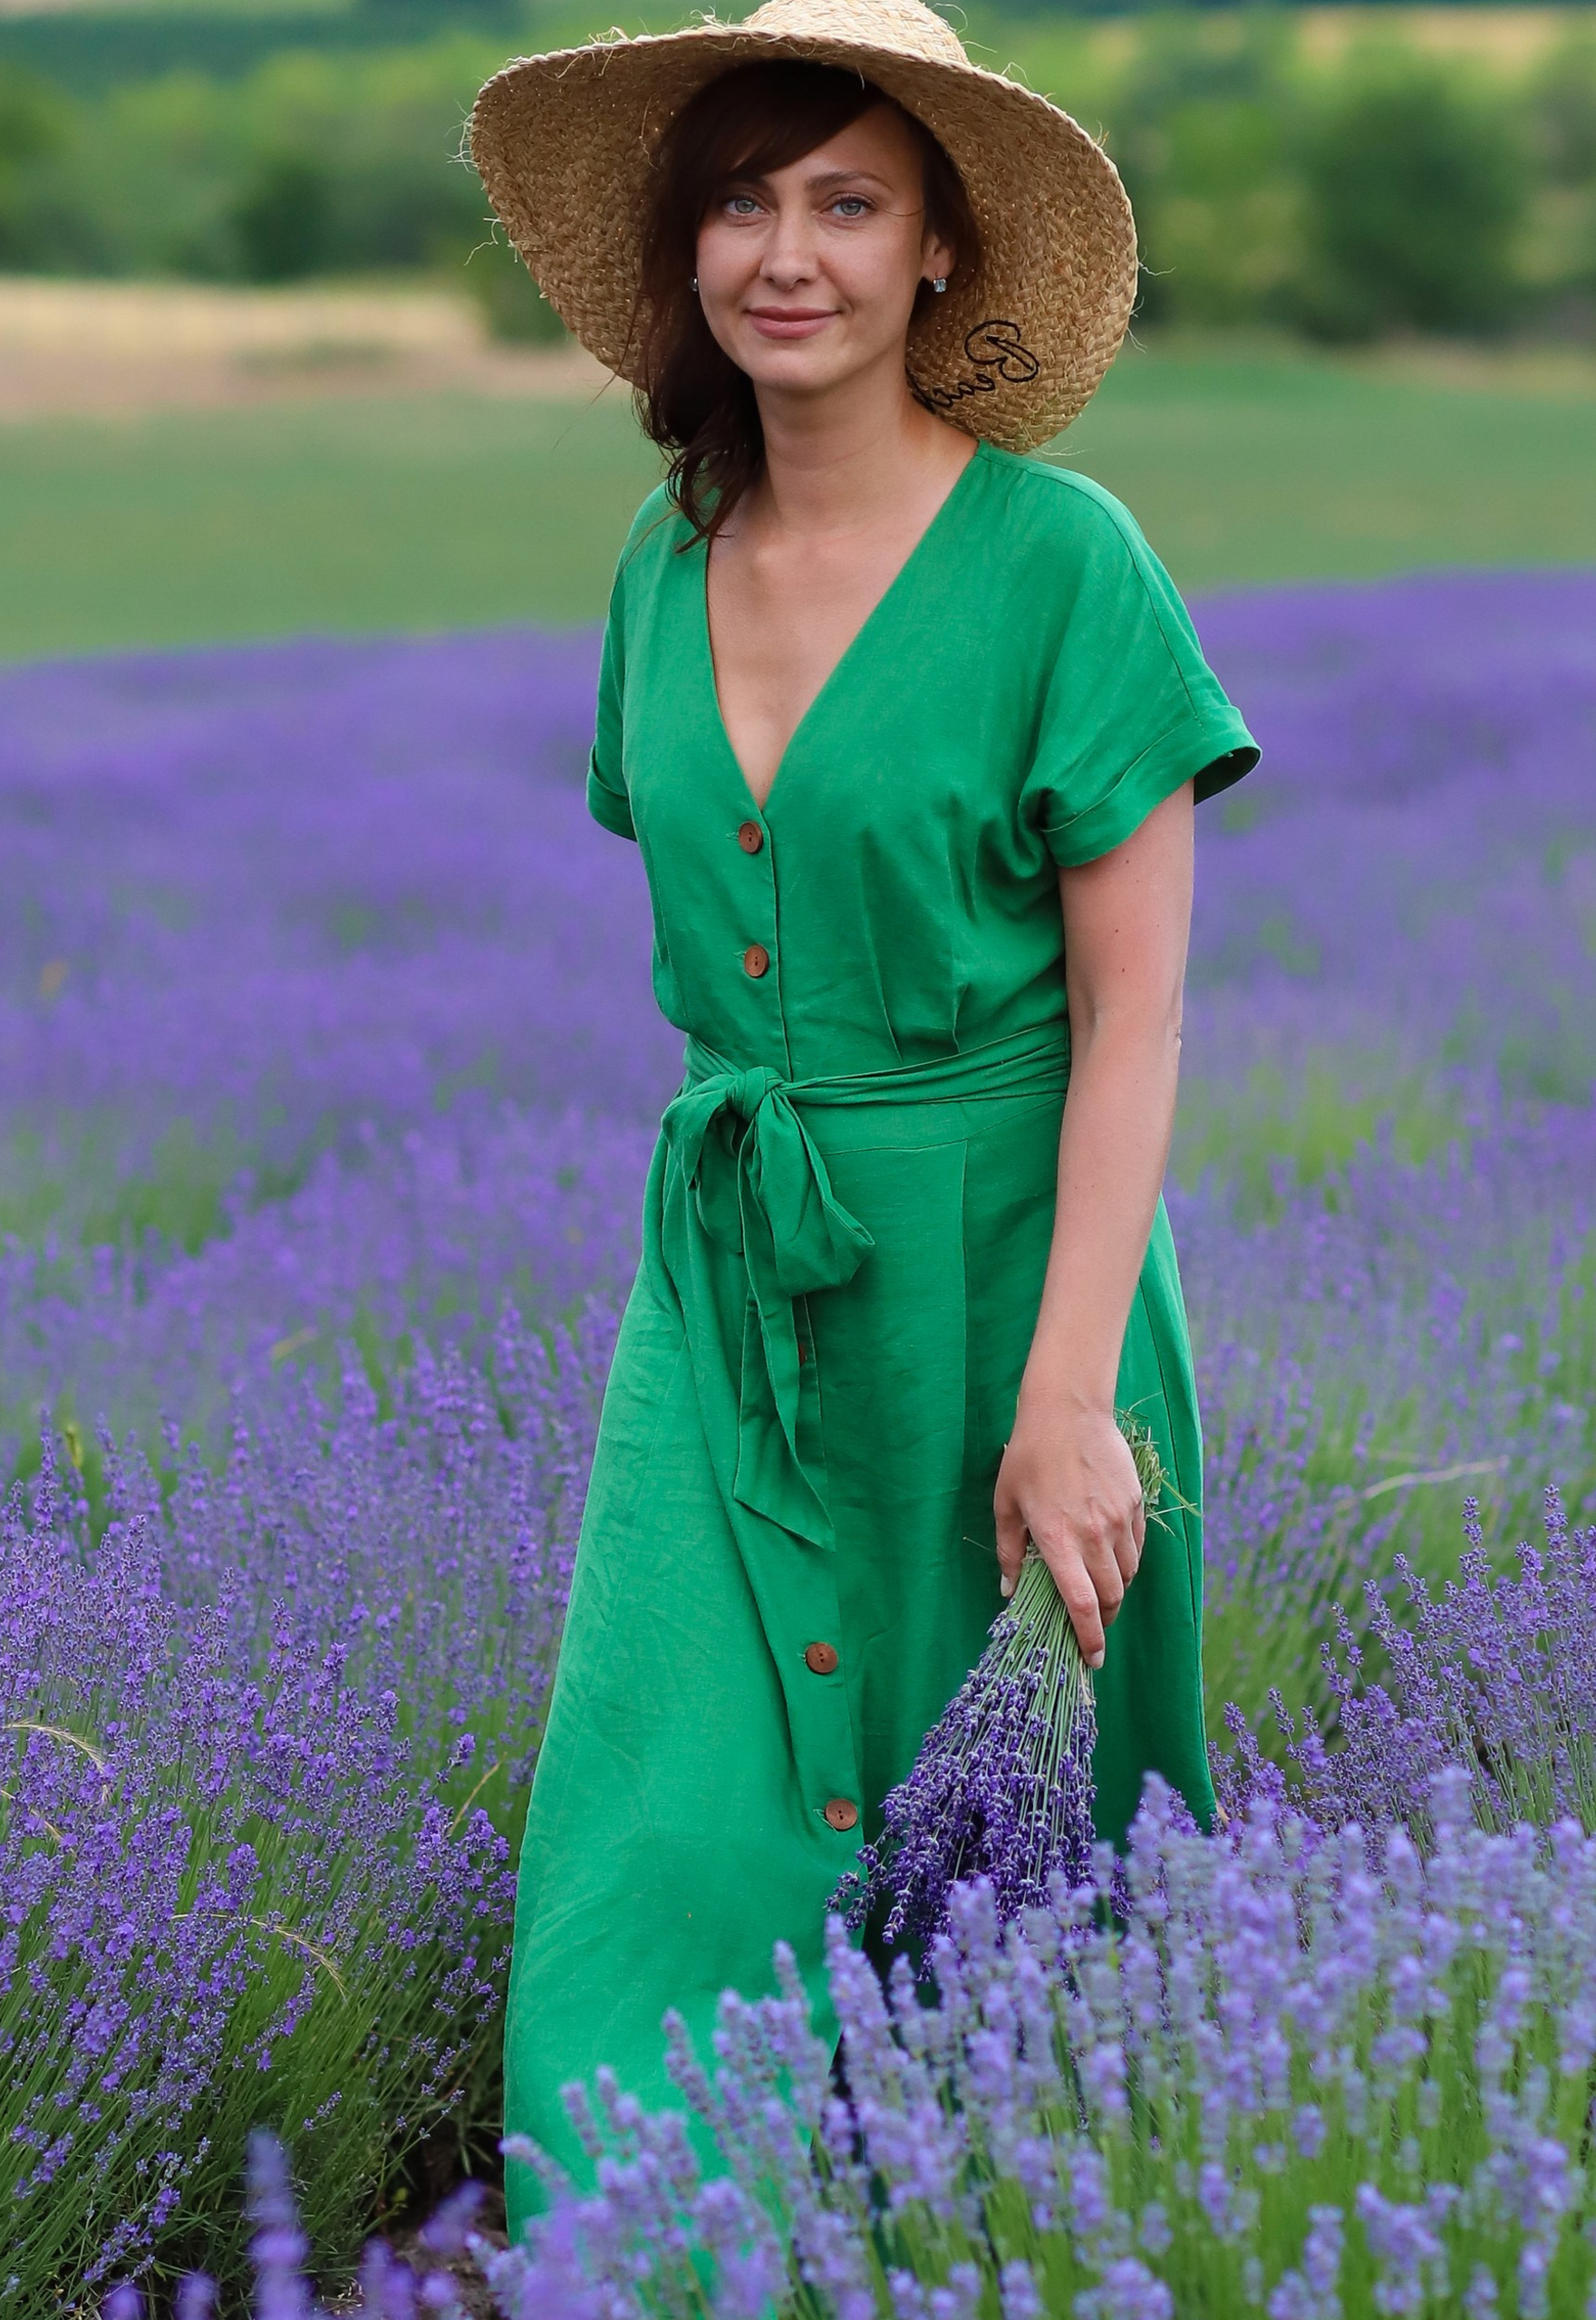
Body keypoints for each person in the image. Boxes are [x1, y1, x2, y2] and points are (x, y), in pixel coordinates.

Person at [468, 0, 1260, 2224]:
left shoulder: (1059, 559)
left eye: (842, 202)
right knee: (660, 1817)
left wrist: (1070, 1398)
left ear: (936, 255)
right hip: (734, 1288)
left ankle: (1015, 2248)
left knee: (1025, 1869)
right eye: (738, 199)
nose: (781, 253)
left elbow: (1134, 1021)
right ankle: (642, 2262)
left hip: (1017, 1274)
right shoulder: (660, 552)